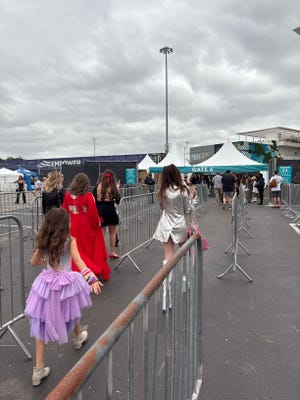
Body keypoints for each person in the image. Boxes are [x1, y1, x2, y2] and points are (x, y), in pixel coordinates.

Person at [24, 208, 102, 386]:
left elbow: (34, 262)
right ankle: (78, 337)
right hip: (66, 283)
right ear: (64, 225)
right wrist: (90, 278)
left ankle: (38, 370)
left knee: (42, 325)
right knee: (70, 310)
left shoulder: (44, 242)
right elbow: (78, 260)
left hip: (47, 284)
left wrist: (42, 258)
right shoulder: (69, 241)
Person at [153, 164, 193, 311]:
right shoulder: (183, 191)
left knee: (167, 259)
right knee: (183, 254)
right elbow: (187, 209)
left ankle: (166, 297)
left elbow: (162, 208)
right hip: (180, 224)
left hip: (165, 225)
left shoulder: (162, 191)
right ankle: (183, 280)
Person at [63, 173, 111, 281]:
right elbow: (93, 214)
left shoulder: (67, 195)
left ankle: (78, 268)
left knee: (76, 249)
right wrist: (97, 224)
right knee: (90, 248)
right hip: (85, 226)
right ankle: (89, 269)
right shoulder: (88, 196)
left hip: (72, 224)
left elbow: (65, 211)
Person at [93, 169, 121, 259]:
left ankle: (100, 252)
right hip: (110, 210)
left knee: (101, 234)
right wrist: (118, 188)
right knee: (112, 233)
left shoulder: (98, 186)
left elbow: (95, 198)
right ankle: (112, 252)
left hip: (100, 210)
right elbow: (117, 201)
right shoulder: (113, 187)